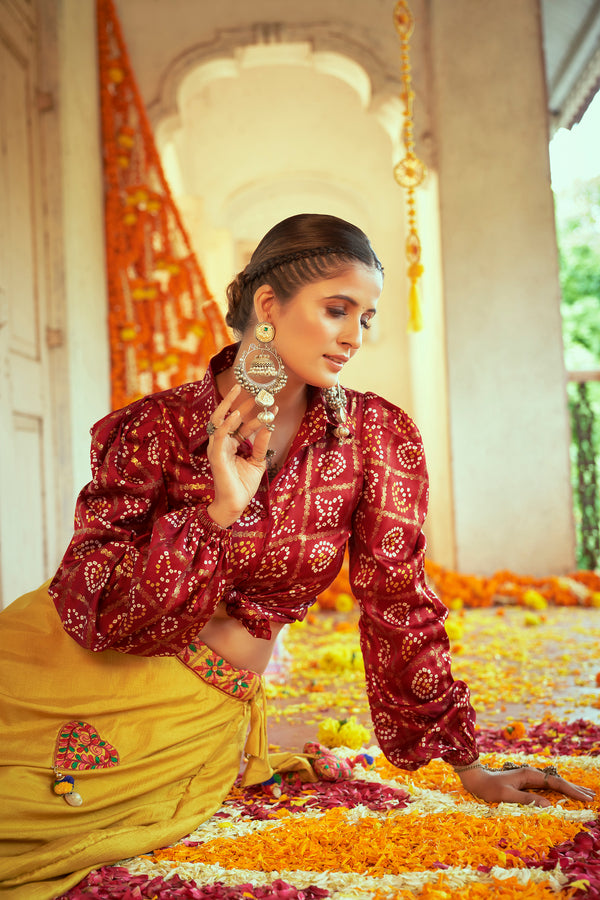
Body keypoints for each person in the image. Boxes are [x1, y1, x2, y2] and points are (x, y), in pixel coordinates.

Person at [0, 213, 593, 899]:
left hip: (190, 714)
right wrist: (217, 511)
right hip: (59, 664)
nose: (354, 337)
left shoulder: (374, 436)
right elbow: (93, 603)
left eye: (366, 318)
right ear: (268, 306)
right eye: (337, 309)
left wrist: (467, 766)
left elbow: (398, 600)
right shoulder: (153, 428)